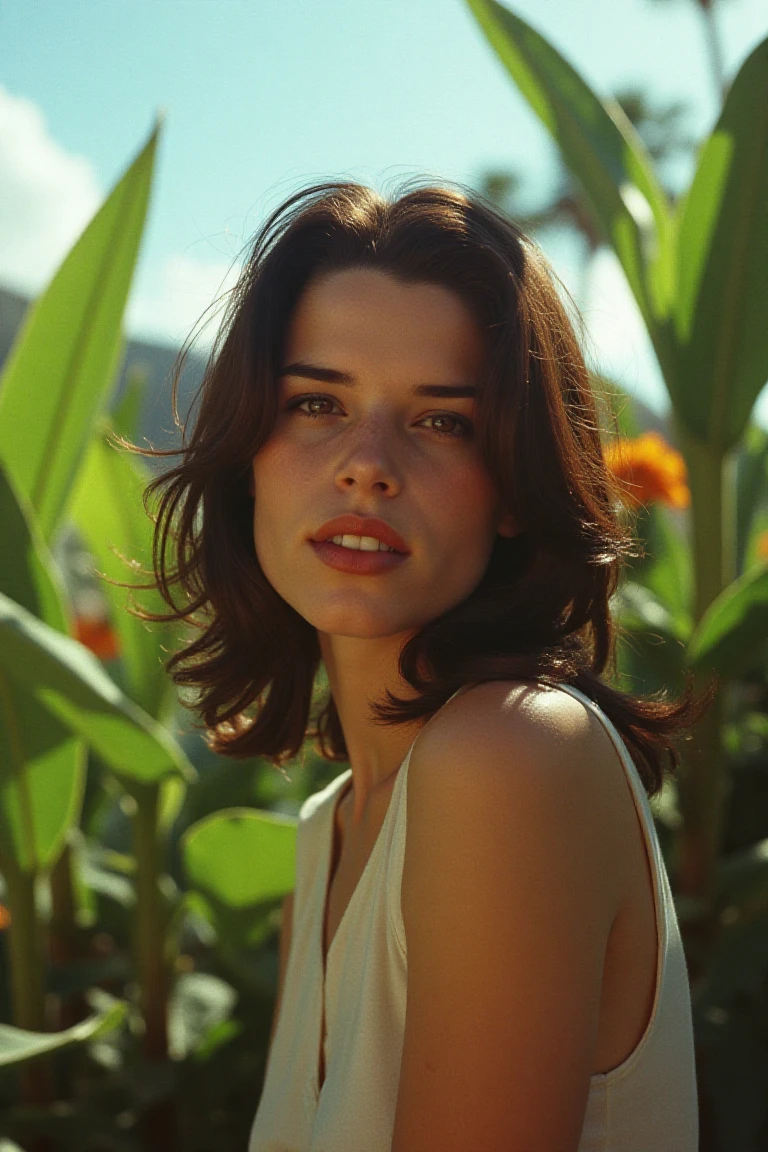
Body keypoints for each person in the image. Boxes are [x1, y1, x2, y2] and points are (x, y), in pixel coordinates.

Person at [135, 179, 717, 1151]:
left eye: (442, 420)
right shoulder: (327, 835)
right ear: (250, 456)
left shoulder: (511, 754)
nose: (367, 463)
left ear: (515, 490)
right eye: (316, 402)